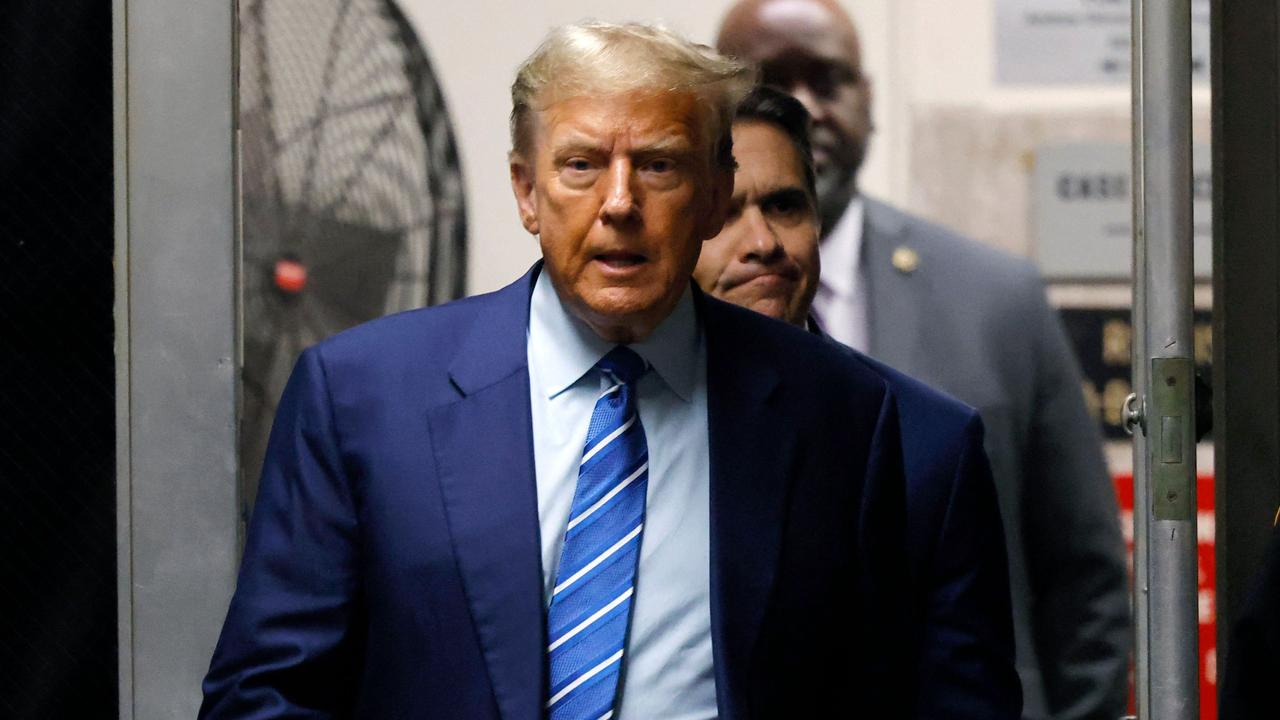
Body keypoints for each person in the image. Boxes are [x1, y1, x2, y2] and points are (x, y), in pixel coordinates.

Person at [199, 21, 1015, 718]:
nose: (619, 202)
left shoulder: (843, 413)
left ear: (712, 194)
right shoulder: (363, 399)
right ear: (525, 191)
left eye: (658, 165)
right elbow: (266, 694)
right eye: (581, 165)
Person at [716, 3, 1131, 719]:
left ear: (870, 101)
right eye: (774, 83)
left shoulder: (999, 298)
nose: (807, 109)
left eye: (830, 80)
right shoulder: (661, 332)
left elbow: (1085, 580)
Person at [694, 84, 1023, 717]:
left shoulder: (927, 444)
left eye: (785, 206)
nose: (762, 241)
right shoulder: (615, 428)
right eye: (725, 213)